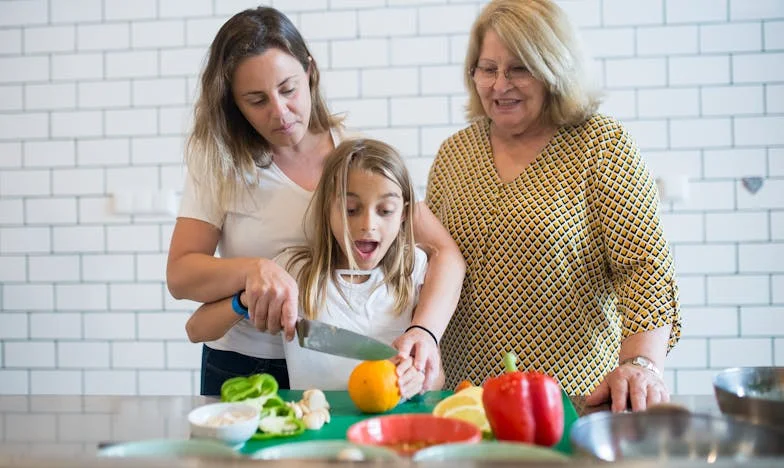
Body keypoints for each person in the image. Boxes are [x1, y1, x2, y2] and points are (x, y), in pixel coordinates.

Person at [166, 6, 464, 396]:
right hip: (243, 362)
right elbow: (181, 277)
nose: (280, 112)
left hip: (328, 364)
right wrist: (254, 270)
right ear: (233, 103)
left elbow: (445, 253)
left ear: (310, 71)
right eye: (256, 100)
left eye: (288, 89)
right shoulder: (219, 163)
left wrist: (424, 332)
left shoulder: (354, 159)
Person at [426, 0, 682, 412]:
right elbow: (428, 260)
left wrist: (641, 364)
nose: (499, 85)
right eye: (487, 69)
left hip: (571, 398)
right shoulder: (454, 154)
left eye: (519, 69)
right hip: (464, 397)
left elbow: (645, 267)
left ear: (553, 69)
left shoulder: (601, 145)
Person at [186, 139, 443, 398]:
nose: (368, 224)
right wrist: (245, 301)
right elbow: (195, 329)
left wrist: (419, 377)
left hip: (394, 419)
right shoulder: (294, 271)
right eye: (351, 210)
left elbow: (438, 378)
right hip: (316, 417)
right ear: (327, 208)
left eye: (385, 210)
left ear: (403, 214)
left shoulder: (414, 269)